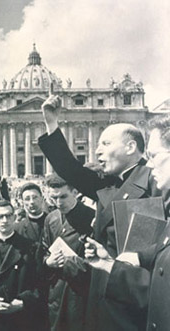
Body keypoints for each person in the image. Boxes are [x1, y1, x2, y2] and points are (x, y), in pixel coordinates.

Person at [38, 95, 162, 330]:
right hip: (102, 299)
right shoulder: (109, 184)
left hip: (135, 303)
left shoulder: (155, 183)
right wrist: (52, 123)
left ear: (130, 146)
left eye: (105, 144)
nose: (97, 151)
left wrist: (141, 257)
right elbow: (71, 170)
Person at [85, 114, 170, 331]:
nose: (149, 164)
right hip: (117, 292)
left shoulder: (150, 184)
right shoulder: (114, 184)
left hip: (133, 307)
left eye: (153, 155)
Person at [0, 199, 49, 331]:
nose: (4, 220)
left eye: (8, 215)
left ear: (14, 217)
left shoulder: (31, 247)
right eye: (0, 216)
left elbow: (42, 283)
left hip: (22, 319)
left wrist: (23, 302)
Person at [43, 174, 95, 331]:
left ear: (75, 192)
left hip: (80, 293)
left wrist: (67, 262)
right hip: (56, 292)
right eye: (53, 198)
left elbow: (97, 261)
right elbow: (43, 251)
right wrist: (48, 261)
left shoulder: (92, 218)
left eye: (63, 197)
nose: (58, 203)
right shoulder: (50, 218)